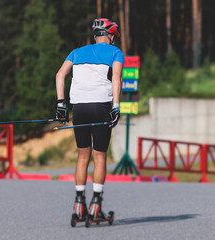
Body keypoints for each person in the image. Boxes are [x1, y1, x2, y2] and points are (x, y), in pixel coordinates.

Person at [55, 18, 124, 224]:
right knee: (100, 156)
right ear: (110, 35)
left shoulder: (76, 52)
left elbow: (60, 75)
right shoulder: (115, 52)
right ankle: (95, 205)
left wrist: (61, 104)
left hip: (80, 108)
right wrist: (116, 107)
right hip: (100, 106)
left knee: (82, 156)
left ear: (95, 35)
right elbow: (116, 79)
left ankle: (78, 202)